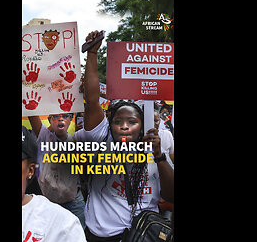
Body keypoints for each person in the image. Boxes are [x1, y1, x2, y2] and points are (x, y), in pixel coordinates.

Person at [81, 31, 174, 241]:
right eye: (117, 121)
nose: (124, 127)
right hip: (101, 236)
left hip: (142, 234)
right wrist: (93, 54)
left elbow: (170, 196)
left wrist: (159, 157)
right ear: (109, 126)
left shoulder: (154, 149)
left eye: (132, 122)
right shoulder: (102, 140)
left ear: (142, 127)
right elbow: (93, 100)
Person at [22, 126, 86, 241]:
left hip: (73, 200)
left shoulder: (63, 225)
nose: (60, 120)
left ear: (30, 170)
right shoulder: (46, 137)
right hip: (51, 196)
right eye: (56, 117)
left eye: (65, 116)